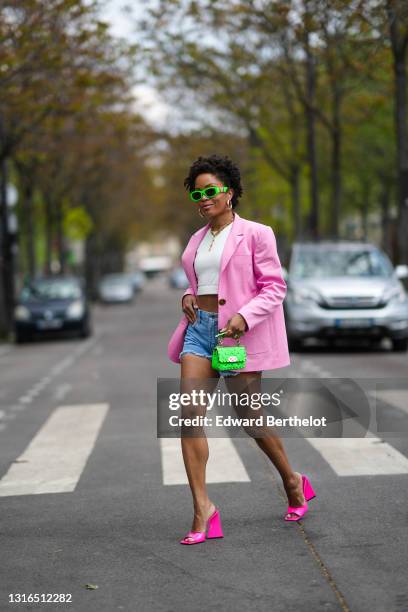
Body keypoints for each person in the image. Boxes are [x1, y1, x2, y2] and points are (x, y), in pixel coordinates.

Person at [167, 154, 316, 545]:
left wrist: (244, 318)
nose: (203, 198)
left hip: (238, 335)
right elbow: (201, 280)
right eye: (197, 193)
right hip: (199, 331)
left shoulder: (257, 233)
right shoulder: (196, 239)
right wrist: (188, 294)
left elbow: (274, 288)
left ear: (230, 193)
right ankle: (203, 509)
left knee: (250, 418)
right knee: (189, 416)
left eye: (210, 191)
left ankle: (292, 479)